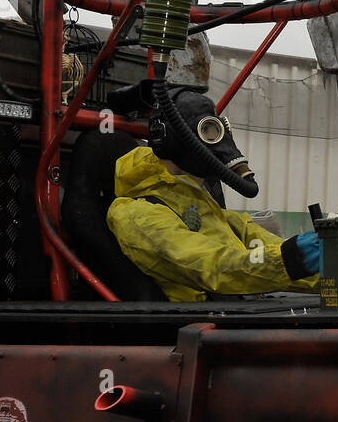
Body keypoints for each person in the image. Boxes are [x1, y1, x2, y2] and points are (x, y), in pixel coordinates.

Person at [107, 88, 323, 302]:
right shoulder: (136, 215)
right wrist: (291, 258)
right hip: (197, 325)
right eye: (206, 131)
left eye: (216, 130)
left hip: (235, 316)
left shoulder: (207, 207)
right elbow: (210, 265)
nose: (216, 142)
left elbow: (262, 249)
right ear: (168, 140)